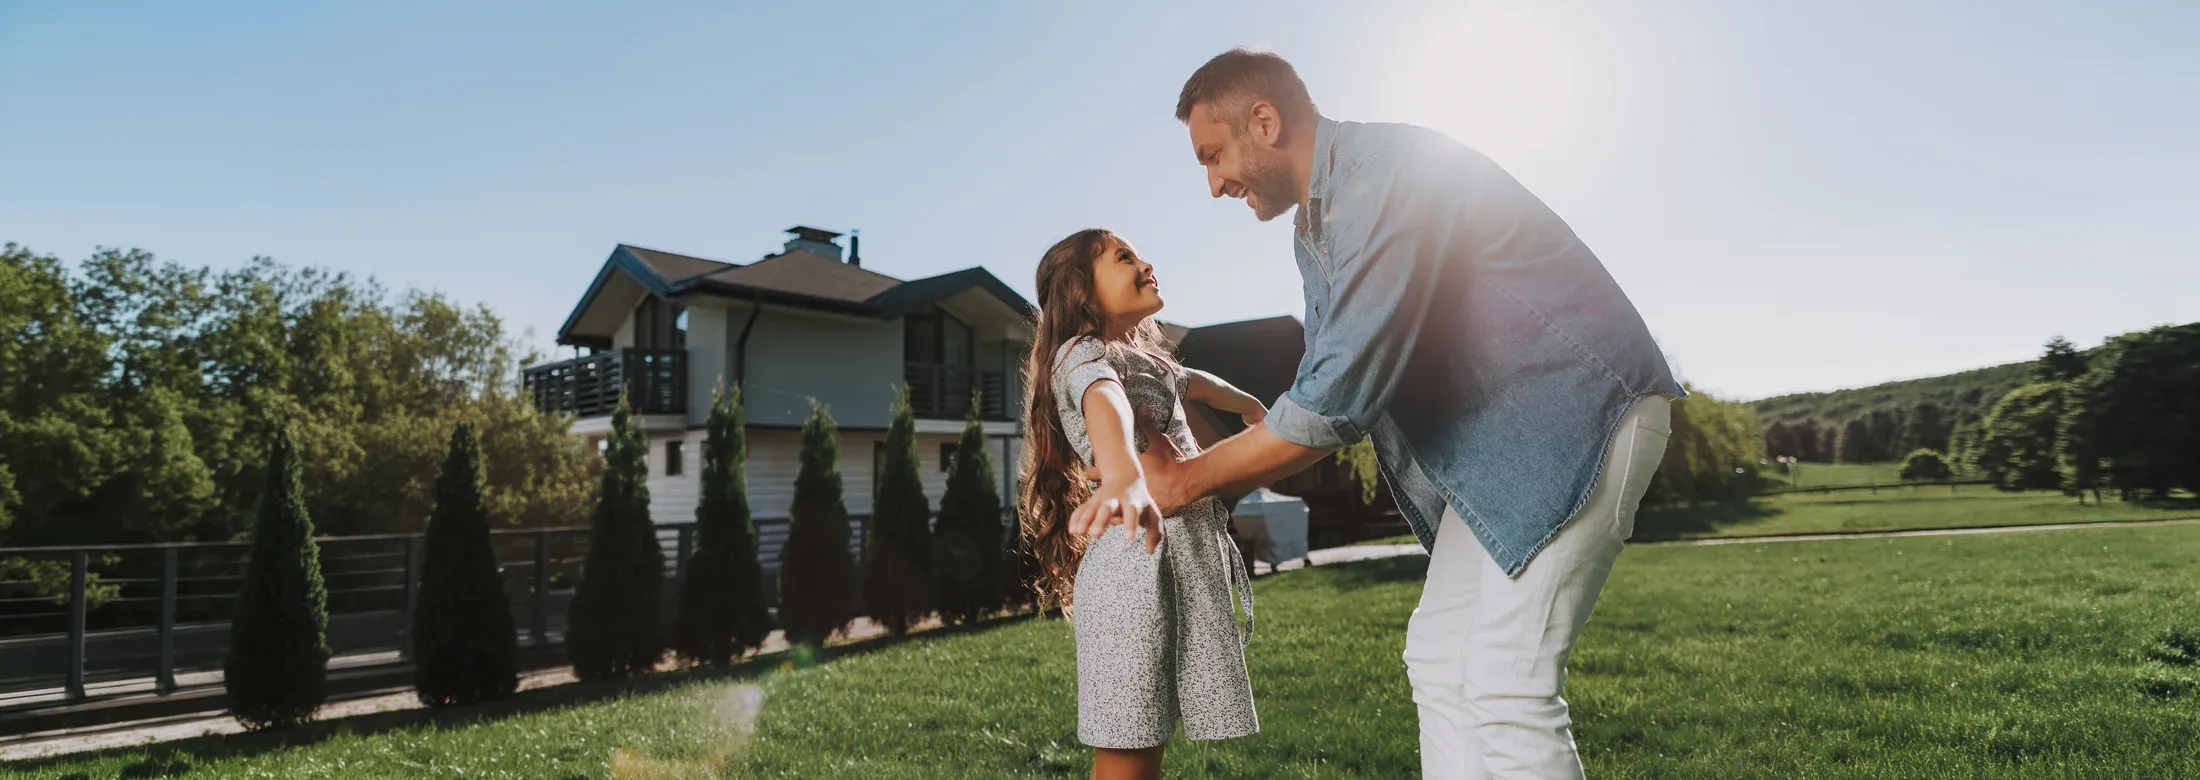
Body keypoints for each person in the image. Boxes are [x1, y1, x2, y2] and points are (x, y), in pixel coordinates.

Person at [1070, 49, 1687, 779]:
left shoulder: (1381, 175)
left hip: (1573, 420)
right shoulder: (1318, 229)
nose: (1213, 185)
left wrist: (1185, 480)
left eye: (1214, 155)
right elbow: (1325, 387)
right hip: (1496, 457)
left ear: (1263, 122)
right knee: (1439, 660)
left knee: (1505, 685)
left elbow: (1337, 398)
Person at [1017, 228, 1266, 780]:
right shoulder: (1081, 357)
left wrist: (1251, 406)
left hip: (1165, 570)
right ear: (1082, 290)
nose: (1145, 261)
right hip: (1134, 573)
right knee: (1128, 754)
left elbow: (1196, 383)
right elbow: (1104, 401)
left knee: (1141, 751)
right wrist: (1124, 469)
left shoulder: (1140, 358)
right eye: (1124, 257)